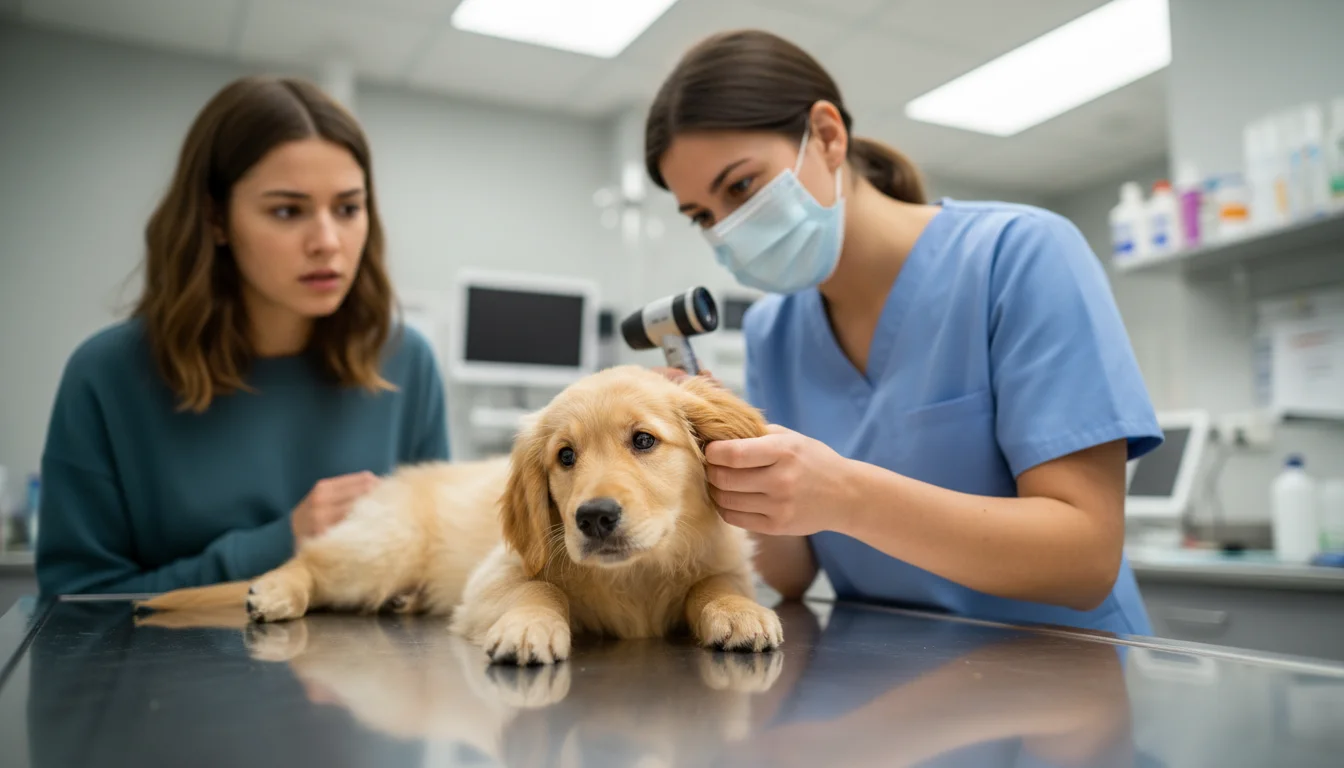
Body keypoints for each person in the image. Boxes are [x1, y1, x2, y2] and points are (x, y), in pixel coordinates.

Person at [644, 30, 1162, 636]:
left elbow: (1085, 558)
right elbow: (790, 572)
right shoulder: (772, 330)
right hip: (886, 679)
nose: (728, 229)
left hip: (1059, 683)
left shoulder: (1019, 256)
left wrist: (844, 493)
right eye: (703, 215)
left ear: (829, 137)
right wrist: (719, 458)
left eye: (741, 187)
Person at [35, 75, 449, 599]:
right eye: (287, 211)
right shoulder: (105, 376)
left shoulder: (407, 362)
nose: (327, 242)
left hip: (357, 680)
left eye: (347, 208)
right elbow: (76, 608)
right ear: (215, 219)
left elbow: (437, 573)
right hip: (163, 681)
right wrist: (283, 543)